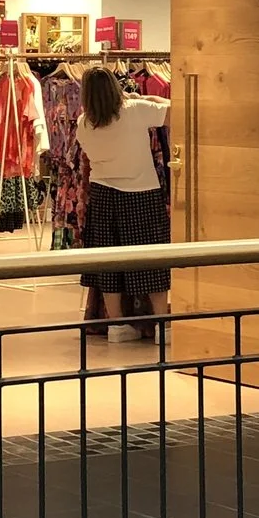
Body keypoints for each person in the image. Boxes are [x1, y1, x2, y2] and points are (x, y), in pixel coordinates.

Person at [78, 66, 173, 342]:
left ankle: (117, 325)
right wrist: (149, 98)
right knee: (152, 260)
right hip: (141, 193)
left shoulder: (84, 123)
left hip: (102, 194)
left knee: (109, 261)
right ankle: (161, 324)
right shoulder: (134, 110)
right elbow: (175, 111)